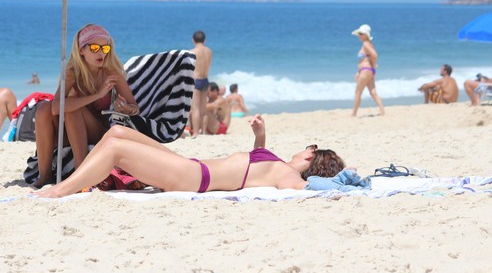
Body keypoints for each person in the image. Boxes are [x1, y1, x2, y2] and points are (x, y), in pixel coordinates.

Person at [33, 115, 346, 198]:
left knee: (116, 150)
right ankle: (72, 182)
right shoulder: (278, 163)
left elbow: (302, 188)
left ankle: (59, 190)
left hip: (193, 178)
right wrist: (260, 135)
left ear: (311, 156)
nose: (306, 147)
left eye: (310, 148)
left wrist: (343, 179)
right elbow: (255, 162)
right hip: (190, 166)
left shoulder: (287, 174)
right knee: (116, 132)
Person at [32, 24, 139, 188]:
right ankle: (44, 175)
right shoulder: (72, 73)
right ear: (81, 50)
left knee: (73, 109)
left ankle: (80, 171)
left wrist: (125, 109)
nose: (101, 53)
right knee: (43, 108)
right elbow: (55, 108)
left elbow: (135, 108)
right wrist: (97, 95)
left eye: (105, 48)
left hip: (98, 130)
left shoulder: (111, 73)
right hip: (70, 132)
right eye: (95, 47)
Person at [351, 24, 385, 117]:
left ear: (366, 35)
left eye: (361, 33)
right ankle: (382, 111)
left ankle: (354, 113)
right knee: (373, 92)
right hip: (368, 70)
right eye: (359, 33)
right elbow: (368, 58)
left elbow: (375, 55)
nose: (359, 35)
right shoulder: (369, 44)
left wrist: (373, 65)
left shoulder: (366, 44)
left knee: (358, 92)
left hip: (366, 70)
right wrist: (359, 72)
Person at [189, 30, 212, 136]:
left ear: (193, 40)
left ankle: (195, 133)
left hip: (196, 80)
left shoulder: (192, 52)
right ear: (205, 40)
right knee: (203, 108)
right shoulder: (209, 51)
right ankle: (203, 131)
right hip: (205, 79)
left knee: (195, 108)